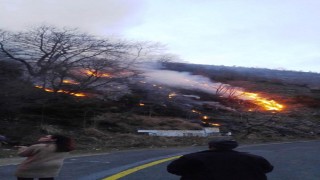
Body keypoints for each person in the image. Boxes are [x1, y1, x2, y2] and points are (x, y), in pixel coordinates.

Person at [167, 139, 273, 180]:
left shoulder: (192, 158)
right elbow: (268, 168)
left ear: (210, 146)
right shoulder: (253, 158)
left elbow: (172, 169)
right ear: (233, 147)